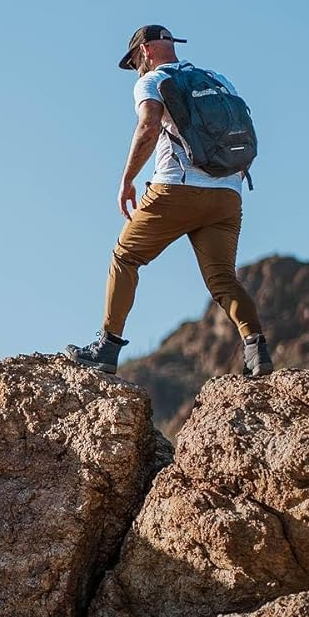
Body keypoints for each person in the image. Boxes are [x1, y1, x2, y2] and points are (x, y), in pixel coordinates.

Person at [66, 23, 274, 377]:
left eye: (134, 61)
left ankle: (107, 348)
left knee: (125, 256)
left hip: (176, 189)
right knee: (223, 278)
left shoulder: (151, 81)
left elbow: (148, 125)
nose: (136, 69)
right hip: (228, 195)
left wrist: (128, 179)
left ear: (144, 52)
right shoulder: (219, 80)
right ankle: (257, 352)